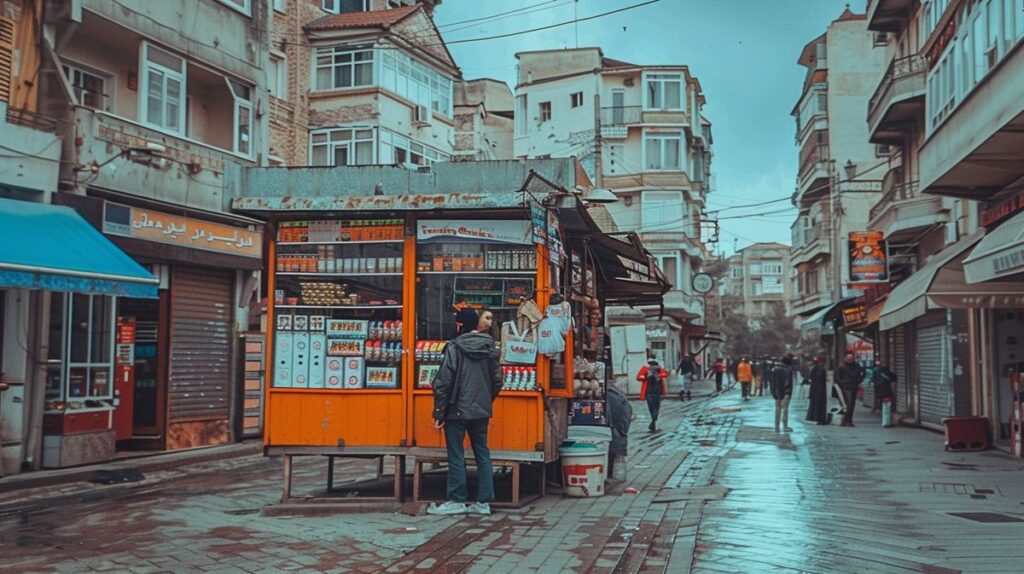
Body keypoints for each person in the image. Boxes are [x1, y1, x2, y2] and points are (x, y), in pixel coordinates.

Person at [428, 309, 503, 516]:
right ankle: (484, 502)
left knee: (456, 454)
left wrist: (439, 412)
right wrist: (486, 400)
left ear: (460, 325)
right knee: (482, 453)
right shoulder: (490, 347)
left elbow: (443, 382)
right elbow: (498, 381)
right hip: (481, 410)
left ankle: (457, 499)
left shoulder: (454, 347)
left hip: (456, 410)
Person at [605, 381, 632, 479]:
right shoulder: (617, 392)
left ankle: (608, 474)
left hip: (614, 431)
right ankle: (609, 474)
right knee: (612, 455)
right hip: (618, 431)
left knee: (610, 452)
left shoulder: (610, 394)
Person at [637, 358, 668, 432]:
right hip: (649, 391)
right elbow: (638, 377)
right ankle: (653, 420)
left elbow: (665, 374)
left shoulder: (659, 369)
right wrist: (646, 376)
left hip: (657, 391)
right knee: (651, 407)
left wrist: (657, 375)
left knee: (656, 407)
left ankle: (654, 420)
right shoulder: (645, 369)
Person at [836, 353, 866, 427]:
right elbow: (837, 376)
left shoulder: (856, 366)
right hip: (845, 387)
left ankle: (848, 420)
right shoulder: (841, 366)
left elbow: (862, 373)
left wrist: (859, 380)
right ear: (845, 358)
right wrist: (841, 383)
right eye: (848, 358)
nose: (850, 360)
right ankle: (845, 420)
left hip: (853, 386)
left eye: (851, 359)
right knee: (847, 404)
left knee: (851, 404)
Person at [771, 355, 795, 432]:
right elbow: (788, 382)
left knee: (777, 409)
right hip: (785, 393)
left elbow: (772, 382)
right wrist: (788, 393)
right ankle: (785, 426)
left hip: (777, 393)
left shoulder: (775, 369)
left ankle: (776, 427)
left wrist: (773, 392)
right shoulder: (788, 370)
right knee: (785, 410)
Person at [805, 356, 829, 425]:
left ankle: (814, 417)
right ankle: (819, 417)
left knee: (814, 403)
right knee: (819, 404)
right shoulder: (821, 370)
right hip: (820, 389)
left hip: (814, 388)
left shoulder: (813, 369)